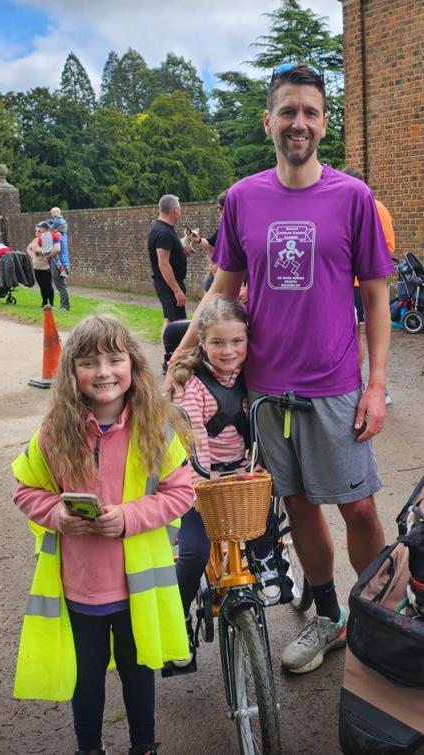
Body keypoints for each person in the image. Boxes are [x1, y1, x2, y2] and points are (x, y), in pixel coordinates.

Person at [166, 62, 394, 676]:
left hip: (337, 387)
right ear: (269, 121)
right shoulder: (243, 198)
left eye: (310, 112)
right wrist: (183, 357)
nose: (299, 123)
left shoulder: (353, 198)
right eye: (287, 111)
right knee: (296, 506)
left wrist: (376, 386)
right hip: (267, 389)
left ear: (324, 124)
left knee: (362, 509)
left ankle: (376, 614)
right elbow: (222, 289)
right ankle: (328, 616)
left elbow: (376, 297)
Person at [12, 315, 195, 755]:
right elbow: (26, 489)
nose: (104, 372)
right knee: (86, 679)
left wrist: (130, 517)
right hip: (80, 588)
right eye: (90, 362)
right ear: (72, 372)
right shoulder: (54, 433)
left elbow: (182, 492)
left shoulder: (158, 429)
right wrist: (56, 513)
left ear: (132, 365)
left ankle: (144, 746)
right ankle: (88, 747)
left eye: (115, 359)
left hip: (137, 591)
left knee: (138, 673)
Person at [164, 296, 280, 675]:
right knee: (194, 553)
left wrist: (256, 467)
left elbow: (264, 428)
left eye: (237, 342)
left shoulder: (254, 376)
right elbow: (194, 438)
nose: (228, 351)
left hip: (242, 476)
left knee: (266, 522)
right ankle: (176, 623)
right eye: (217, 343)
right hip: (200, 480)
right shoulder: (192, 386)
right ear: (201, 342)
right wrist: (205, 483)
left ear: (248, 341)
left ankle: (269, 564)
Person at [342, 166, 396, 406]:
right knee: (366, 331)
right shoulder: (381, 207)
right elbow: (389, 245)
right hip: (373, 279)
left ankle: (362, 385)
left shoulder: (358, 206)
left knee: (356, 335)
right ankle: (379, 387)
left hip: (354, 283)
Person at [147, 195, 187, 373]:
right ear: (175, 210)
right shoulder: (163, 232)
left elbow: (169, 255)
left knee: (169, 320)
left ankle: (172, 358)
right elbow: (163, 264)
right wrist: (177, 290)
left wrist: (181, 250)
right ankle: (171, 360)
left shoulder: (161, 229)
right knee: (176, 323)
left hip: (167, 283)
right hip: (169, 285)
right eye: (179, 210)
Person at [26, 224, 54, 308]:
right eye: (36, 231)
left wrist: (39, 250)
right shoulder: (35, 240)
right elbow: (28, 248)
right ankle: (44, 302)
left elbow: (47, 252)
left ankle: (51, 303)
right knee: (41, 285)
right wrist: (32, 256)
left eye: (39, 231)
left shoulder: (46, 241)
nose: (37, 233)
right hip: (36, 267)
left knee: (48, 285)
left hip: (45, 267)